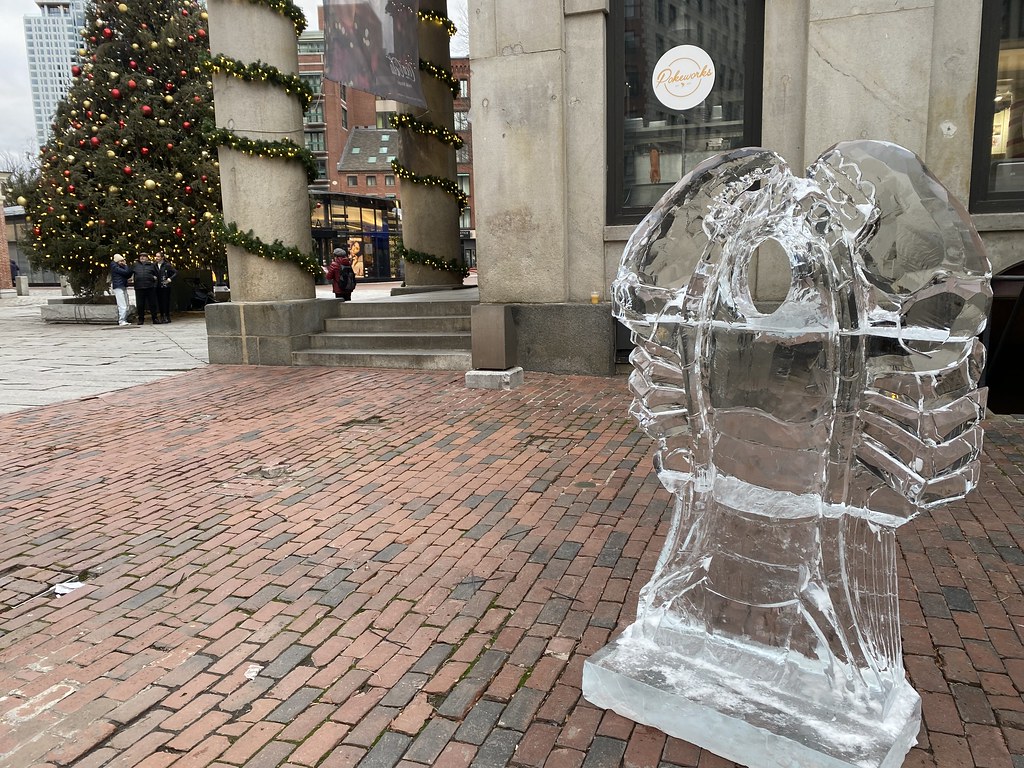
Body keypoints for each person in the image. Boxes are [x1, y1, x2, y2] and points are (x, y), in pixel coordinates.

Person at [132, 253, 161, 325]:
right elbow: (129, 273)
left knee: (152, 304)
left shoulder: (152, 265)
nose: (142, 258)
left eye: (144, 257)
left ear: (147, 258)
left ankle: (155, 318)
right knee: (140, 304)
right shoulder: (135, 265)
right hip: (139, 287)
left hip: (150, 287)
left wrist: (154, 282)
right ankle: (141, 319)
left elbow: (157, 275)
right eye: (141, 256)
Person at [153, 251, 177, 324]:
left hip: (165, 285)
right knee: (159, 301)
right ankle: (162, 315)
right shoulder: (154, 265)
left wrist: (169, 279)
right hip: (157, 285)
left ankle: (167, 316)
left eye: (158, 256)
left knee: (165, 301)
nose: (157, 258)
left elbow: (175, 272)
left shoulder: (167, 265)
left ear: (162, 257)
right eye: (156, 256)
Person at [110, 253, 133, 326]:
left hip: (123, 285)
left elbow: (128, 274)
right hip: (118, 286)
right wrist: (125, 265)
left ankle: (124, 319)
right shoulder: (115, 267)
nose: (122, 262)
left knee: (126, 303)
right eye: (121, 261)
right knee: (122, 304)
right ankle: (122, 320)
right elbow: (126, 272)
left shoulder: (120, 266)